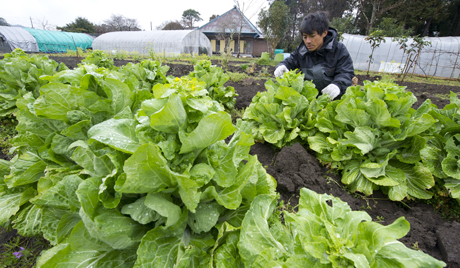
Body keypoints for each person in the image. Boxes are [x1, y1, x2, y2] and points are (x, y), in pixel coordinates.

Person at [274, 11, 354, 100]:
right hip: (308, 102)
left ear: (324, 33)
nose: (308, 41)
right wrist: (282, 66)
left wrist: (338, 85)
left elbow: (346, 72)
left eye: (312, 36)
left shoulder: (339, 50)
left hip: (333, 101)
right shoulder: (301, 51)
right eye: (305, 37)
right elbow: (290, 61)